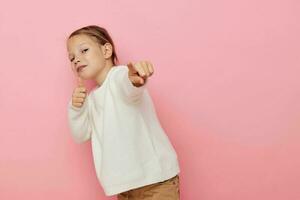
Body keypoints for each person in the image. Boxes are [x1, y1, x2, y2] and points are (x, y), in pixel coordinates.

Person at [66, 25, 181, 199]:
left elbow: (127, 85)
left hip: (156, 182)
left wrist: (134, 79)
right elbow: (80, 134)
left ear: (106, 50)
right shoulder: (91, 99)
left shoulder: (118, 76)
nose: (76, 59)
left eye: (84, 50)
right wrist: (76, 108)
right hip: (126, 189)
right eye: (72, 57)